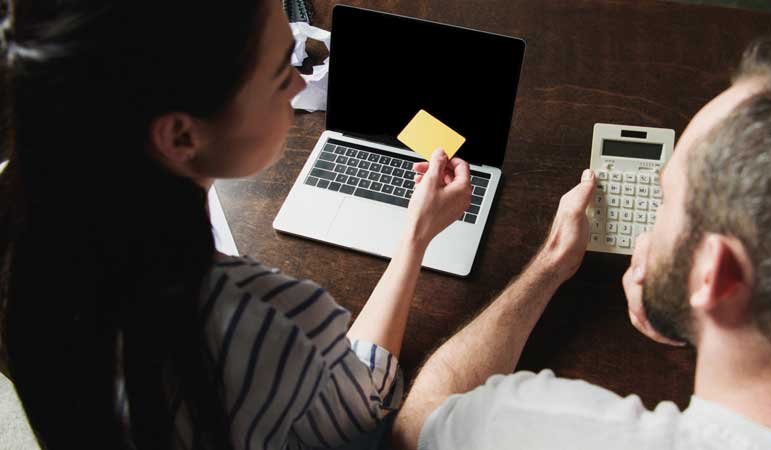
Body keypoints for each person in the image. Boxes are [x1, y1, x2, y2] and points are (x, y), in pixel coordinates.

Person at [0, 0, 470, 448]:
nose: (300, 86)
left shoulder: (29, 226)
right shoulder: (267, 317)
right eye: (280, 73)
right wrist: (416, 236)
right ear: (180, 134)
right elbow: (362, 407)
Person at [391, 39, 771, 450]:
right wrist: (707, 320)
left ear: (713, 275)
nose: (651, 225)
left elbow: (418, 422)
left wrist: (550, 263)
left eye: (666, 198)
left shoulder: (527, 427)